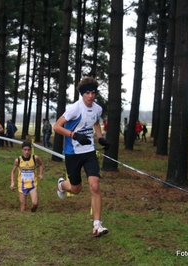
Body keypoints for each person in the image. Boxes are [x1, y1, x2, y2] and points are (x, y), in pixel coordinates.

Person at [53, 76, 110, 237]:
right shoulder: (75, 109)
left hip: (89, 152)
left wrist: (100, 138)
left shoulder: (97, 108)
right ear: (82, 94)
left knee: (95, 185)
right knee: (76, 188)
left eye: (93, 92)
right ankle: (62, 185)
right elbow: (56, 127)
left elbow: (96, 122)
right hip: (73, 153)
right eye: (87, 93)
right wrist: (74, 135)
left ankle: (97, 225)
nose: (91, 96)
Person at [10, 141, 44, 212]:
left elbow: (41, 164)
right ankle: (23, 219)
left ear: (30, 150)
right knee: (23, 205)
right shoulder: (18, 160)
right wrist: (12, 183)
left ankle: (32, 214)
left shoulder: (35, 158)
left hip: (32, 185)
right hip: (22, 185)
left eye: (28, 150)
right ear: (22, 150)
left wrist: (41, 174)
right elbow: (13, 172)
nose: (27, 152)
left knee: (35, 204)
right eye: (25, 150)